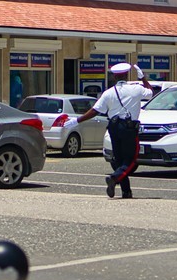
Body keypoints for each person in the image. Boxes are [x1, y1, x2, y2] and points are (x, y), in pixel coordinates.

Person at [65, 63, 152, 199]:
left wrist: (77, 120)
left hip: (113, 127)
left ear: (115, 77)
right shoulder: (136, 89)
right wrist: (143, 78)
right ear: (126, 75)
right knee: (130, 160)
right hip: (129, 128)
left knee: (119, 159)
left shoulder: (109, 92)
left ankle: (126, 191)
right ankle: (114, 177)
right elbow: (151, 92)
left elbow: (95, 111)